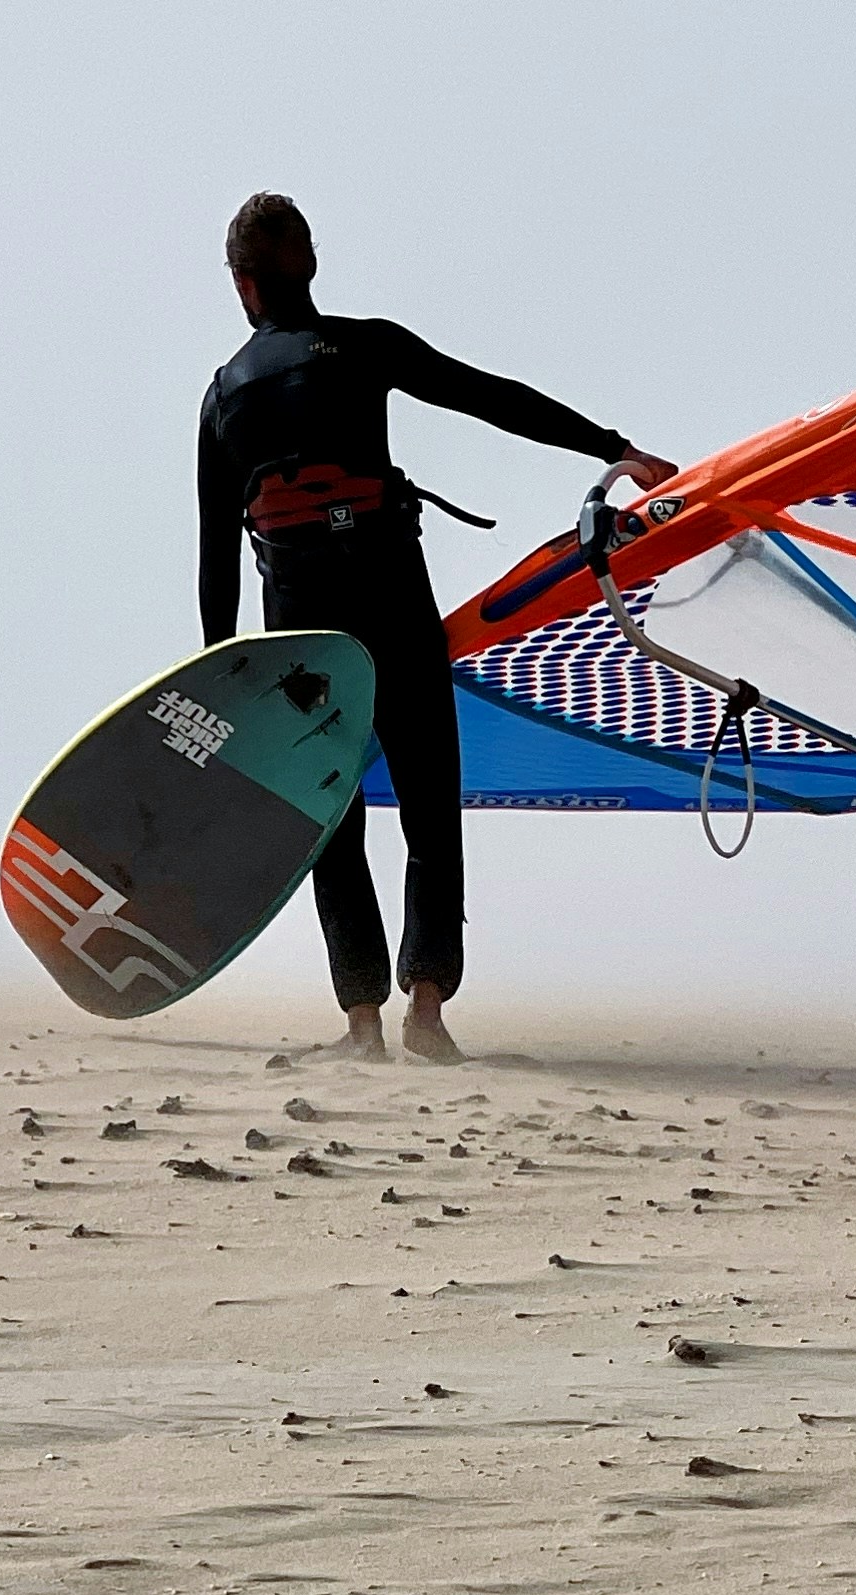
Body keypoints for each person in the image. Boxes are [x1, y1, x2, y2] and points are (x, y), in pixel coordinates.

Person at [197, 193, 673, 1062]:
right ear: (308, 263)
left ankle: (360, 1024)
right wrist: (613, 448)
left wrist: (220, 674)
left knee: (332, 819)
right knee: (426, 796)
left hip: (299, 635)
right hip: (389, 599)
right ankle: (427, 1010)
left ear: (242, 286)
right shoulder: (366, 346)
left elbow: (216, 556)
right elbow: (490, 398)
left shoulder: (225, 395)